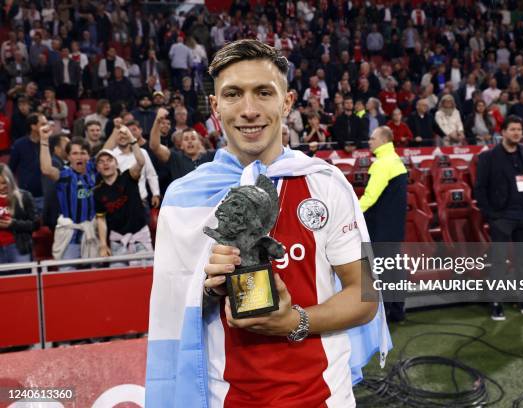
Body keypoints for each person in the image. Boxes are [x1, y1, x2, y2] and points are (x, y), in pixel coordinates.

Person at [145, 39, 388, 408]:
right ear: (215, 107)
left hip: (324, 398)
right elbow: (169, 311)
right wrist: (209, 290)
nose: (248, 110)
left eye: (263, 92)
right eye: (232, 95)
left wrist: (295, 321)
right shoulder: (184, 198)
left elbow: (365, 295)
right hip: (224, 398)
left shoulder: (325, 183)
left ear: (286, 102)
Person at [474, 115, 523, 321]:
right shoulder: (488, 157)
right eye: (513, 129)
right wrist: (491, 215)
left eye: (520, 129)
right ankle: (496, 302)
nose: (517, 133)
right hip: (502, 217)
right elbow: (480, 189)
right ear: (503, 132)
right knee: (499, 261)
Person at [359, 126, 407, 322]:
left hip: (381, 228)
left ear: (383, 140)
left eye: (372, 138)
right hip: (395, 227)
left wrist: (353, 215)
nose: (369, 141)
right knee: (394, 267)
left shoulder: (381, 164)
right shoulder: (397, 161)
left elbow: (370, 197)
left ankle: (385, 312)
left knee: (382, 270)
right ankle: (397, 310)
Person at [40, 127, 98, 265]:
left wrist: (118, 129)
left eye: (83, 153)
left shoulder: (93, 169)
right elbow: (46, 169)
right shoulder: (65, 175)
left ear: (88, 156)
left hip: (91, 233)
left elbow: (108, 148)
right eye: (75, 153)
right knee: (67, 277)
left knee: (94, 278)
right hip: (70, 235)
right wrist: (43, 140)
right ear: (68, 157)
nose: (79, 157)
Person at [94, 132, 152, 267]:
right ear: (97, 168)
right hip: (117, 241)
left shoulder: (128, 176)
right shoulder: (97, 191)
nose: (105, 164)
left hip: (139, 236)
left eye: (109, 160)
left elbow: (141, 161)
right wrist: (103, 244)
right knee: (119, 279)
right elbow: (101, 218)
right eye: (101, 162)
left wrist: (132, 140)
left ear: (116, 163)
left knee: (145, 278)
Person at [149, 108, 215, 182]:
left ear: (200, 143)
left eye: (193, 138)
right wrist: (157, 121)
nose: (190, 141)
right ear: (181, 145)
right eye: (186, 139)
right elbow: (155, 147)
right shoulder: (175, 158)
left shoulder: (211, 156)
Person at [9, 113, 46, 216]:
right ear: (33, 126)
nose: (46, 127)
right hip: (24, 196)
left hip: (45, 195)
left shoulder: (49, 144)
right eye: (43, 124)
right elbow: (10, 169)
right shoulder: (19, 144)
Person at [0, 164, 37, 266]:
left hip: (18, 248)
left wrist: (13, 224)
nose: (1, 187)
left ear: (10, 180)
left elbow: (35, 224)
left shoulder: (24, 197)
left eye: (4, 183)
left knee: (23, 280)